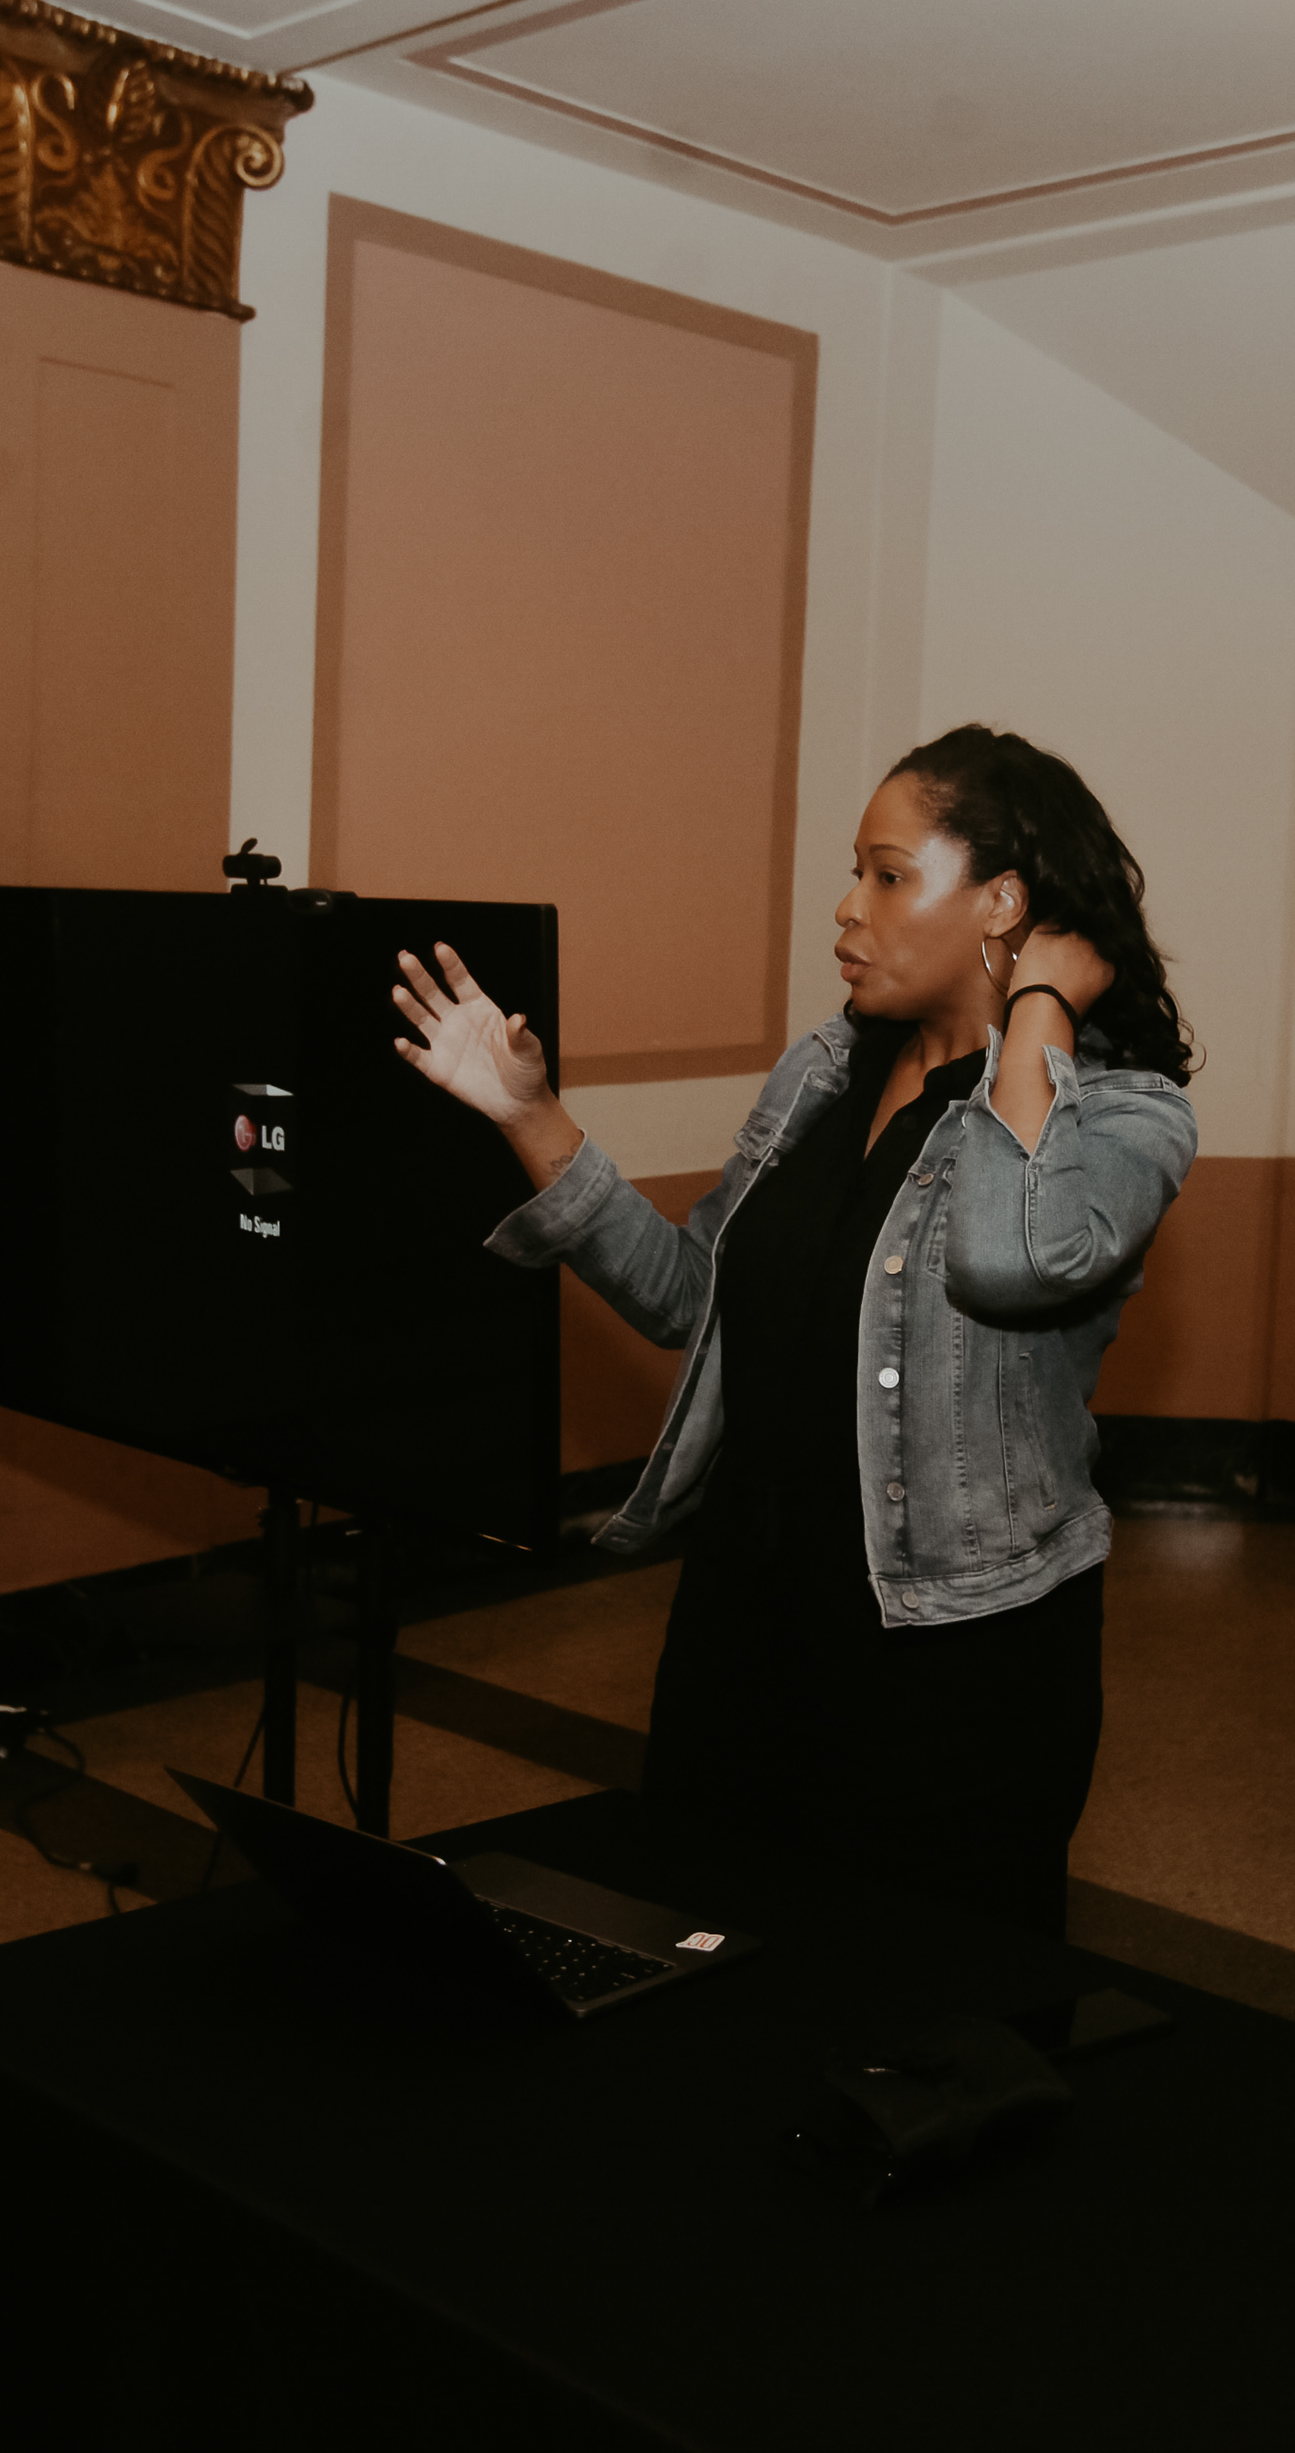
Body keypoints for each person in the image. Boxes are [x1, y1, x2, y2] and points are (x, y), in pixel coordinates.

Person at [386, 726, 1198, 1935]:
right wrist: (530, 1113)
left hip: (954, 1652)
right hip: (747, 1611)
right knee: (708, 1948)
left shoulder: (1129, 1117)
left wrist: (1038, 1005)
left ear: (1002, 901)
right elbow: (691, 1298)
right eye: (854, 873)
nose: (847, 908)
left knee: (924, 1993)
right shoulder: (823, 1070)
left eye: (888, 873)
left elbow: (1012, 1257)